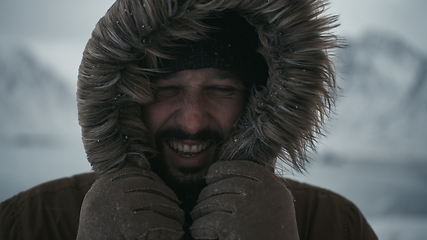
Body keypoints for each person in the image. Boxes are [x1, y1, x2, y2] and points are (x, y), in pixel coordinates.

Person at [0, 0, 378, 239]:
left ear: (258, 100)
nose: (194, 122)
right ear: (125, 100)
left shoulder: (335, 224)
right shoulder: (29, 222)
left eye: (221, 89)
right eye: (166, 89)